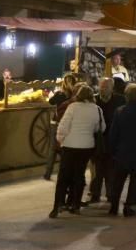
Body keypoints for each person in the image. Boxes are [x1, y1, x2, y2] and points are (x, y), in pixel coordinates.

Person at [50, 85, 104, 218]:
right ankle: (75, 205)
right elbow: (101, 128)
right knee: (79, 175)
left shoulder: (72, 107)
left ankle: (56, 207)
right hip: (86, 147)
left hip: (69, 146)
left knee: (63, 177)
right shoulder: (97, 109)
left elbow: (63, 126)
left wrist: (61, 140)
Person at [106, 84, 136, 217]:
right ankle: (128, 206)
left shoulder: (120, 111)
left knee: (118, 180)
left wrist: (112, 150)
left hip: (122, 151)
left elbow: (114, 133)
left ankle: (114, 206)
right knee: (135, 182)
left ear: (126, 96)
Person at [86, 78, 124, 204]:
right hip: (97, 141)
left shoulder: (120, 100)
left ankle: (110, 194)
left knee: (111, 170)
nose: (102, 89)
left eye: (106, 87)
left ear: (111, 88)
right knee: (97, 170)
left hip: (113, 141)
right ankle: (95, 194)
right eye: (101, 87)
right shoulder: (93, 100)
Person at [44, 73, 78, 181]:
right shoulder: (76, 96)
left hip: (57, 122)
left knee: (53, 149)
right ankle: (63, 174)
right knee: (65, 150)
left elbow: (50, 101)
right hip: (70, 125)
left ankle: (48, 173)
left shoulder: (60, 94)